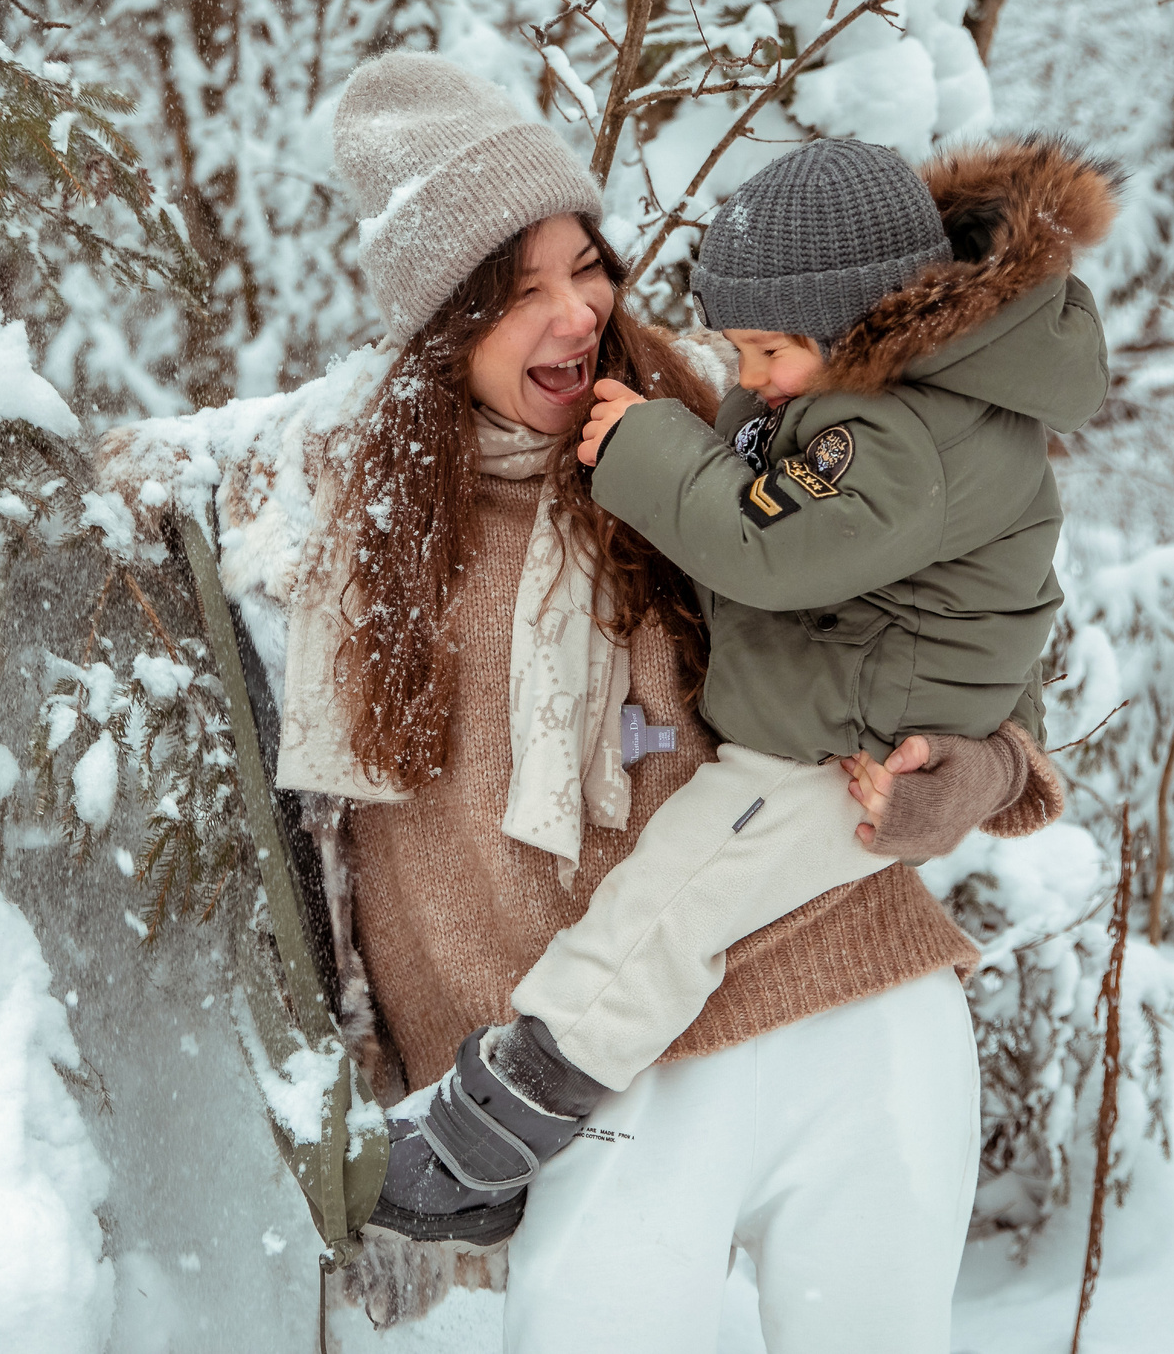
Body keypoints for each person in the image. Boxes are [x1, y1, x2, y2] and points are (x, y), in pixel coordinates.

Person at [95, 53, 1070, 1349]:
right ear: (440, 324)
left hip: (860, 1009)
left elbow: (966, 612)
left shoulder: (722, 431)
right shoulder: (333, 501)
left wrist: (986, 766)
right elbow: (121, 493)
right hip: (606, 1087)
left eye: (587, 266)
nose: (578, 314)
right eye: (520, 293)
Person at [371, 135, 1118, 1258]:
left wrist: (650, 445)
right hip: (832, 731)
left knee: (667, 906)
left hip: (837, 757)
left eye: (769, 351)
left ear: (862, 324)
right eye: (521, 291)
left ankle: (495, 1130)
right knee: (674, 905)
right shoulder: (896, 396)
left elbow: (769, 549)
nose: (751, 376)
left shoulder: (892, 433)